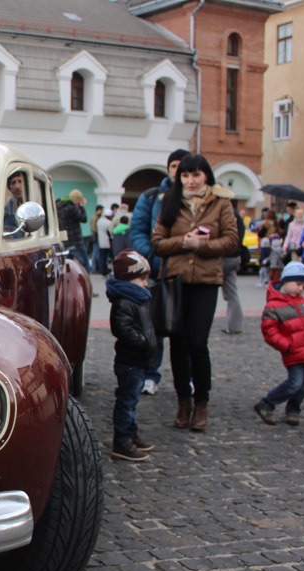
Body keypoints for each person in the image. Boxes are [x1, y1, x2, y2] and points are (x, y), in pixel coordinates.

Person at [151, 153, 238, 431]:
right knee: (177, 342)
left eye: (195, 175)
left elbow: (232, 241)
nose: (189, 180)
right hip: (176, 281)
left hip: (205, 281)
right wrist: (183, 242)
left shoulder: (221, 203)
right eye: (185, 175)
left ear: (206, 177)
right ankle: (183, 401)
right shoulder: (170, 201)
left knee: (198, 342)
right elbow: (157, 242)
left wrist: (202, 246)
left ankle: (201, 403)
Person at [129, 148, 190, 396]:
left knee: (187, 332)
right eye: (174, 166)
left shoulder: (200, 199)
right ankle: (151, 375)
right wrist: (154, 258)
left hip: (189, 273)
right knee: (155, 326)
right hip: (159, 270)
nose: (178, 171)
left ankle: (187, 378)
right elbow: (138, 231)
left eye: (184, 167)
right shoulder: (153, 197)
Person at [254, 261, 304, 427]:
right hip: (294, 353)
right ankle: (267, 404)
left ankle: (293, 409)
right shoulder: (273, 306)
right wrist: (287, 345)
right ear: (286, 281)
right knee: (294, 384)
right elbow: (270, 332)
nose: (301, 289)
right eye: (298, 284)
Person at [106, 249, 157, 462]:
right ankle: (122, 440)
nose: (146, 284)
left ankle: (131, 434)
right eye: (142, 278)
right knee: (126, 400)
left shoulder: (138, 298)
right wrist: (143, 342)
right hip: (130, 360)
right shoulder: (125, 301)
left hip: (139, 359)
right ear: (129, 277)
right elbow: (122, 329)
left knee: (132, 399)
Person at [220, 206, 245, 335]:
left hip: (222, 256)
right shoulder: (235, 214)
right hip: (234, 256)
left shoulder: (221, 211)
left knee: (206, 290)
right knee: (232, 293)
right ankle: (235, 326)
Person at [56, 189, 89, 270]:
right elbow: (84, 219)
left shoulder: (59, 207)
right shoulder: (72, 208)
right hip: (76, 242)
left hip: (65, 241)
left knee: (66, 266)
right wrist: (81, 206)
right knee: (85, 265)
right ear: (77, 200)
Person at [95, 206, 113, 275]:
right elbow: (110, 232)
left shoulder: (99, 221)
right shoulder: (108, 222)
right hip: (108, 242)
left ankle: (102, 270)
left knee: (102, 257)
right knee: (110, 257)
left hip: (101, 241)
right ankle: (108, 270)